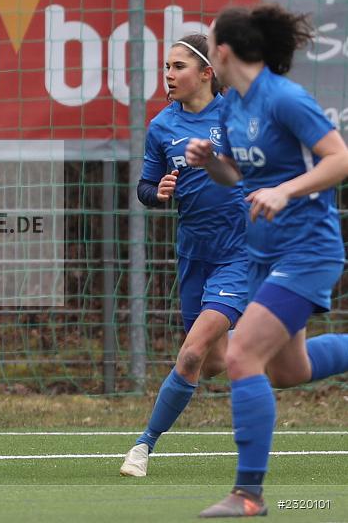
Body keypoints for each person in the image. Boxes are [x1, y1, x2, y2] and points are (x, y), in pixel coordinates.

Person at [185, 3, 348, 518]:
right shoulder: (234, 105)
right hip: (263, 255)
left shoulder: (284, 98)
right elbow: (236, 176)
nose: (206, 48)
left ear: (223, 51)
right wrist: (212, 163)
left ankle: (248, 494)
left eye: (209, 40)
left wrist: (285, 191)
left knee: (240, 356)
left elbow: (340, 158)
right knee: (289, 371)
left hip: (307, 251)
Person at [120, 34, 250, 477]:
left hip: (239, 253)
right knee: (213, 362)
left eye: (179, 67)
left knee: (191, 353)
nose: (169, 75)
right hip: (194, 254)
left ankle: (142, 446)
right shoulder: (162, 126)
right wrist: (156, 192)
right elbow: (144, 188)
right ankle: (266, 346)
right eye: (166, 67)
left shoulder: (237, 117)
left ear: (207, 73)